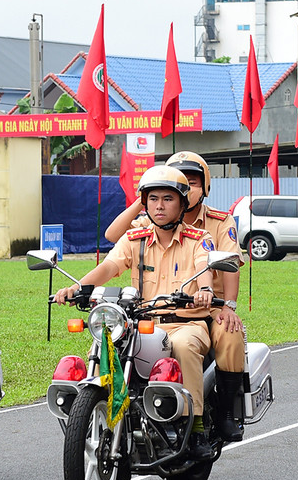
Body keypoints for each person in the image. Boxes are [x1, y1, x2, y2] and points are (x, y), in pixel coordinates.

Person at [58, 165, 216, 459]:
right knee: (106, 343)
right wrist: (78, 287)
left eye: (168, 199)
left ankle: (195, 427)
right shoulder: (136, 238)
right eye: (153, 199)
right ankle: (89, 415)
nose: (159, 205)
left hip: (185, 324)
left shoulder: (199, 238)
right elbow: (110, 266)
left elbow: (204, 271)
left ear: (182, 203)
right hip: (142, 323)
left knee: (182, 346)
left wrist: (205, 292)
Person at [104, 151, 247, 441]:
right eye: (182, 182)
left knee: (229, 333)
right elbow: (112, 236)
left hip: (207, 307)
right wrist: (146, 198)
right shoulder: (154, 219)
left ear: (204, 186)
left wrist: (228, 305)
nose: (188, 186)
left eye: (193, 181)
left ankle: (224, 413)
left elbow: (230, 266)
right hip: (154, 308)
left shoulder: (219, 222)